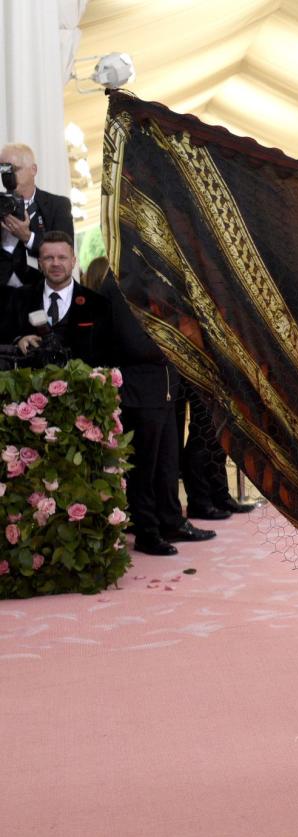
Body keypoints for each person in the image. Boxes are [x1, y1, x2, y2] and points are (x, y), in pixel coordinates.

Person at [97, 267, 217, 555]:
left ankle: (171, 521)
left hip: (165, 385)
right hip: (139, 389)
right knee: (145, 467)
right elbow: (133, 343)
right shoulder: (119, 283)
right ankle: (147, 531)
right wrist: (179, 337)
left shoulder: (157, 278)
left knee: (167, 462)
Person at [1, 231, 112, 366]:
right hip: (31, 385)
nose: (55, 263)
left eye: (62, 257)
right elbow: (4, 337)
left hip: (81, 385)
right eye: (48, 258)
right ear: (40, 263)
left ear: (73, 261)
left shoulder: (98, 304)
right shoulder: (19, 298)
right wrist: (18, 341)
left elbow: (108, 355)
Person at [1, 143, 73, 291]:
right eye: (3, 170)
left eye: (13, 169)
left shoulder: (57, 205)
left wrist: (28, 237)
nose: (7, 176)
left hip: (41, 292)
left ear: (33, 170)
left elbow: (64, 250)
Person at [180, 387, 258, 520]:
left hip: (218, 377)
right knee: (201, 435)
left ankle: (220, 496)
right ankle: (200, 502)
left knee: (219, 437)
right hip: (198, 378)